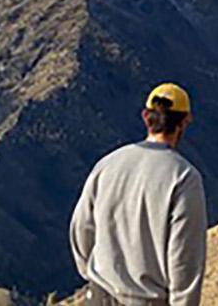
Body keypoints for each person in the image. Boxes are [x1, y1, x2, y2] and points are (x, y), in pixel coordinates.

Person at [70, 83, 207, 306]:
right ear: (184, 122)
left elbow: (81, 229)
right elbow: (184, 258)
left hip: (99, 296)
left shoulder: (108, 164)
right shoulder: (183, 178)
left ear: (146, 117)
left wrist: (93, 275)